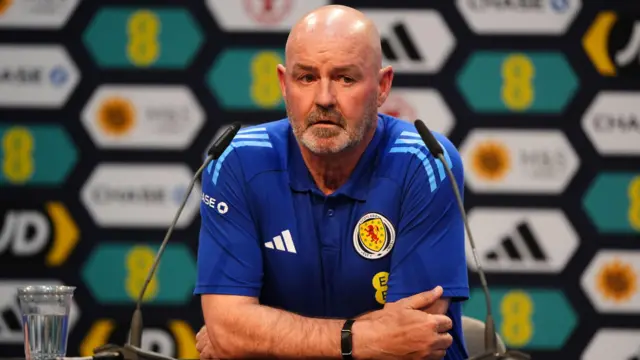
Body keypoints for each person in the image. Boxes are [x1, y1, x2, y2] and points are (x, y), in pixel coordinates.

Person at [193, 4, 469, 359]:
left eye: (345, 79)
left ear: (382, 86)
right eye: (306, 77)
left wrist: (259, 336)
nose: (323, 99)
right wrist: (362, 339)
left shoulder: (425, 162)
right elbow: (229, 329)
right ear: (283, 83)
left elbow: (413, 343)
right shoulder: (236, 161)